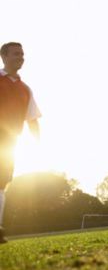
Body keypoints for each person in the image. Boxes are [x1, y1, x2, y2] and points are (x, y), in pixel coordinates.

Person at [0, 42, 41, 243]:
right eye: (16, 54)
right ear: (4, 56)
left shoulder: (26, 89)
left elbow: (32, 119)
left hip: (10, 143)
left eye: (22, 54)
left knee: (1, 184)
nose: (21, 57)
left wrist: (37, 144)